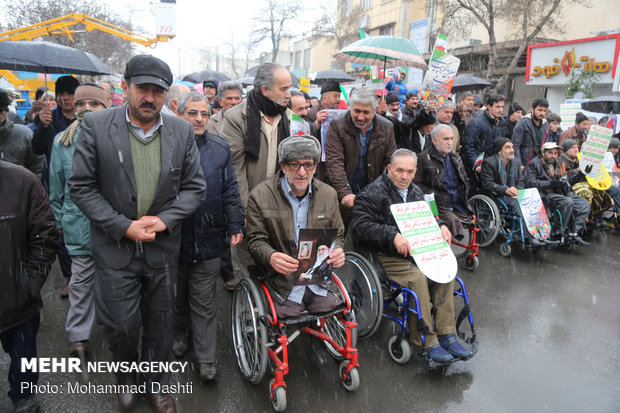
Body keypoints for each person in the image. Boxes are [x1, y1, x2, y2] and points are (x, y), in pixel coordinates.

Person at [69, 54, 206, 413]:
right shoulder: (97, 125)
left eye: (157, 91)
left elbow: (194, 188)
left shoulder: (180, 130)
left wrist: (165, 220)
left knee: (161, 324)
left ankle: (156, 385)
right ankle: (127, 378)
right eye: (142, 88)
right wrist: (124, 226)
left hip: (162, 250)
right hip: (114, 249)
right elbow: (81, 187)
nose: (149, 97)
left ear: (166, 95)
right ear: (125, 87)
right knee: (122, 327)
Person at [350, 148, 472, 364]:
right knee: (417, 279)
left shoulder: (416, 191)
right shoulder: (371, 193)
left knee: (446, 271)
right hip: (384, 254)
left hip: (415, 250)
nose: (404, 176)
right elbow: (359, 226)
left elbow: (429, 217)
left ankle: (446, 332)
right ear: (389, 169)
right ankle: (425, 340)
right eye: (399, 171)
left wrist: (441, 225)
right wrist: (392, 235)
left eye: (409, 171)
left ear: (415, 172)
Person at [174, 92, 244, 381]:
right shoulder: (167, 145)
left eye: (204, 113)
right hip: (174, 236)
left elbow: (229, 188)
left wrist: (235, 223)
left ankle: (206, 358)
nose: (199, 119)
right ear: (179, 115)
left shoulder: (219, 147)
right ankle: (180, 335)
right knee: (177, 293)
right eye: (192, 113)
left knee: (204, 300)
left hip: (209, 233)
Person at [246, 135, 346, 317]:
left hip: (318, 282)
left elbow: (338, 235)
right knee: (284, 317)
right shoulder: (260, 196)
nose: (302, 172)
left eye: (308, 165)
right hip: (281, 282)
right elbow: (255, 240)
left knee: (340, 309)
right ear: (283, 167)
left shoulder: (328, 194)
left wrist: (337, 250)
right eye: (294, 164)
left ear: (315, 167)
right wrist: (271, 256)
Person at [49, 84, 108, 359]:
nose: (86, 108)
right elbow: (56, 187)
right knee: (81, 282)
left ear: (107, 107)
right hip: (79, 226)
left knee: (114, 281)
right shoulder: (63, 141)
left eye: (94, 104)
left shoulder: (117, 138)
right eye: (81, 103)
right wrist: (59, 219)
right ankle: (79, 339)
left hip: (113, 225)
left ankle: (115, 328)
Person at [221, 62, 292, 278]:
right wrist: (244, 210)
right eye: (283, 89)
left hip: (279, 202)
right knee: (248, 259)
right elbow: (235, 170)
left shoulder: (289, 117)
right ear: (265, 90)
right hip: (248, 200)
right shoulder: (236, 118)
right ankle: (247, 303)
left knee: (276, 258)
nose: (289, 94)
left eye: (289, 88)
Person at [0, 161, 58, 413]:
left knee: (23, 364)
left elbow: (45, 237)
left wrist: (29, 286)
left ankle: (24, 397)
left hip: (18, 304)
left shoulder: (23, 182)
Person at [325, 87, 396, 224]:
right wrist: (345, 193)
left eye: (366, 112)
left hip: (373, 188)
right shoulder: (337, 125)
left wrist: (378, 193)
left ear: (375, 111)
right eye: (357, 111)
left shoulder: (387, 127)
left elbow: (389, 163)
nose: (360, 117)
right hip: (345, 188)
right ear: (350, 107)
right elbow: (334, 162)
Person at [480, 138, 555, 247]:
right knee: (522, 207)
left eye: (512, 147)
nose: (512, 150)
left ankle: (542, 235)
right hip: (497, 196)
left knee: (535, 203)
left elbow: (520, 181)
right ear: (499, 152)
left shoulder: (516, 162)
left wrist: (518, 192)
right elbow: (487, 184)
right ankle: (529, 238)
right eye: (508, 147)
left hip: (514, 195)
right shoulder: (489, 163)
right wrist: (505, 190)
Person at [524, 142, 590, 246]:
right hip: (545, 193)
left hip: (560, 192)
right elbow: (530, 182)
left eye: (555, 153)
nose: (553, 155)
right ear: (543, 153)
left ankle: (573, 232)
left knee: (584, 204)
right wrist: (551, 183)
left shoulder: (558, 163)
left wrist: (581, 173)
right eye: (550, 153)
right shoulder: (534, 164)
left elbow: (567, 179)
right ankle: (558, 232)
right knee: (567, 202)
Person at [414, 124, 469, 240]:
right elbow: (416, 184)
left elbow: (464, 180)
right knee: (452, 221)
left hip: (458, 203)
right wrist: (432, 195)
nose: (450, 142)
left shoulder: (456, 157)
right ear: (434, 141)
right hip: (438, 205)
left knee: (476, 220)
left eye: (451, 139)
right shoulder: (423, 158)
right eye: (446, 139)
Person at [560, 139, 612, 229]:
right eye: (573, 147)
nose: (576, 149)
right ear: (566, 150)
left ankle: (595, 218)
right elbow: (565, 178)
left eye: (577, 147)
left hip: (580, 183)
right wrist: (578, 171)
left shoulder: (579, 159)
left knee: (599, 190)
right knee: (586, 191)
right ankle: (585, 221)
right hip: (569, 187)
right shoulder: (562, 161)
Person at [462, 94, 507, 195]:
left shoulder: (502, 124)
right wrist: (476, 164)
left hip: (496, 166)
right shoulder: (477, 123)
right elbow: (468, 146)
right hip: (480, 166)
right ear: (489, 107)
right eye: (497, 107)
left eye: (502, 107)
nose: (500, 110)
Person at [0, 89, 45, 177]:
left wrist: (30, 189)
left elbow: (38, 168)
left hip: (18, 189)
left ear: (5, 112)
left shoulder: (24, 135)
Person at [512, 98, 549, 169]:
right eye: (540, 110)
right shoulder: (522, 123)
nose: (542, 113)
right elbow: (515, 145)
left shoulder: (546, 124)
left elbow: (545, 145)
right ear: (532, 109)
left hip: (539, 164)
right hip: (525, 163)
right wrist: (519, 164)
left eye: (544, 111)